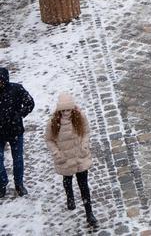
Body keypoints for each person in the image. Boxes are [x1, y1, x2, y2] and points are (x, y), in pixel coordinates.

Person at [45, 92, 97, 228]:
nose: (66, 112)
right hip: (65, 159)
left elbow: (86, 132)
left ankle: (89, 213)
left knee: (84, 186)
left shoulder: (80, 117)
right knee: (67, 180)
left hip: (80, 157)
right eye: (63, 110)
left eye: (68, 109)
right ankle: (70, 197)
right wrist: (57, 153)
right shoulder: (53, 121)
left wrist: (84, 146)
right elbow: (49, 139)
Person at [0, 66, 34, 198]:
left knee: (18, 160)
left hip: (15, 131)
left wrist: (19, 114)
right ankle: (2, 183)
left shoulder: (16, 89)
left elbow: (30, 103)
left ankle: (19, 184)